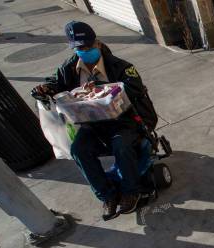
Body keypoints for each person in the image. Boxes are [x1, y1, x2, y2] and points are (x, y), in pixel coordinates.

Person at [33, 21, 158, 220]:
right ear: (74, 48)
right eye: (80, 48)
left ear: (97, 43)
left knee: (122, 146)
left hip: (123, 120)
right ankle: (107, 195)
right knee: (79, 150)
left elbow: (134, 88)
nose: (86, 51)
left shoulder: (121, 66)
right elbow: (55, 83)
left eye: (89, 46)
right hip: (92, 123)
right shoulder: (69, 68)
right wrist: (44, 89)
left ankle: (131, 190)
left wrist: (104, 88)